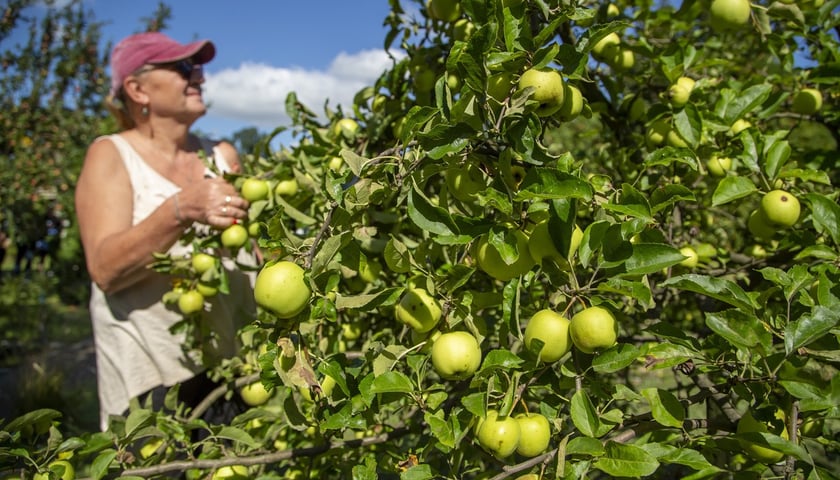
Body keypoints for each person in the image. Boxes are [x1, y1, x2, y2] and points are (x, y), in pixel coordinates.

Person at [74, 32, 257, 431]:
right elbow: (105, 269)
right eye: (184, 68)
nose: (200, 78)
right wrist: (181, 209)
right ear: (138, 89)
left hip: (232, 369)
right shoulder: (112, 155)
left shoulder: (222, 155)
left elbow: (253, 248)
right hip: (152, 380)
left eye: (199, 68)